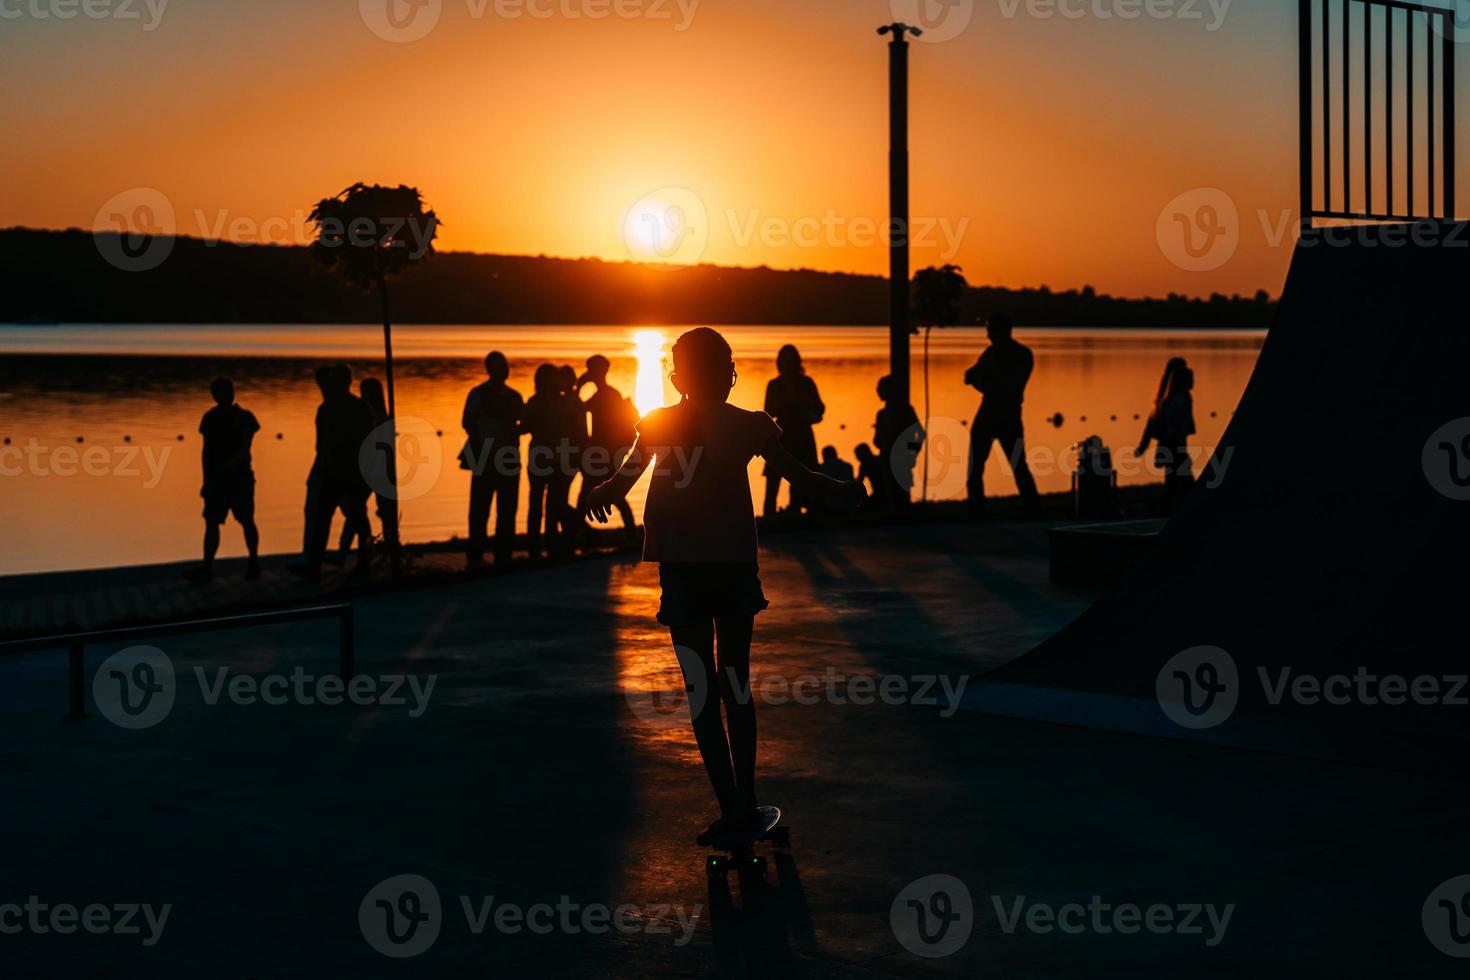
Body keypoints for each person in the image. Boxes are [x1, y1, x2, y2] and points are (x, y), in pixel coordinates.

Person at [585, 327, 862, 843]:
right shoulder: (748, 425)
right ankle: (748, 800)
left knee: (700, 691)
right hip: (732, 567)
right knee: (736, 684)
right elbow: (800, 477)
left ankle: (731, 805)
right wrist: (845, 490)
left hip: (682, 570)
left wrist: (596, 492)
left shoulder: (659, 422)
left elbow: (625, 477)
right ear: (728, 372)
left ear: (679, 375)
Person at [295, 364, 374, 577]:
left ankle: (362, 561)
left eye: (338, 379)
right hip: (333, 472)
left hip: (347, 472)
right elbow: (321, 444)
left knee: (353, 518)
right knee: (328, 519)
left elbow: (364, 439)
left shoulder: (352, 407)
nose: (335, 383)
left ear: (346, 381)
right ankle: (314, 566)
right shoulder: (334, 407)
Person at [963, 313, 1040, 517]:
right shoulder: (990, 353)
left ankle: (1033, 508)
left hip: (1007, 417)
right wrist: (987, 382)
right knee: (975, 467)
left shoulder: (1021, 355)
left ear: (1002, 331)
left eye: (990, 330)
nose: (988, 335)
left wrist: (985, 382)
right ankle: (976, 510)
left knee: (1017, 465)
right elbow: (969, 376)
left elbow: (1009, 386)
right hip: (988, 414)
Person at [194, 377, 261, 582]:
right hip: (217, 480)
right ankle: (207, 567)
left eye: (229, 391)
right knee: (211, 522)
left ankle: (253, 562)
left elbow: (246, 447)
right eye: (222, 392)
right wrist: (206, 481)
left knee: (247, 520)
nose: (227, 395)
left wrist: (231, 465)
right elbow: (205, 452)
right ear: (214, 396)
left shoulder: (245, 417)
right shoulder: (209, 418)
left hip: (240, 478)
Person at [461, 351, 524, 566]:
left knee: (507, 509)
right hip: (485, 457)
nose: (504, 370)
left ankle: (503, 555)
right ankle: (476, 554)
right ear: (489, 370)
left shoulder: (515, 397)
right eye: (499, 366)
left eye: (505, 365)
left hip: (508, 458)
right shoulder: (477, 394)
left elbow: (523, 424)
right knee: (479, 510)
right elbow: (467, 423)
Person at [574, 354, 639, 541]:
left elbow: (579, 409)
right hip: (599, 453)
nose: (589, 373)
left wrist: (578, 387)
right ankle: (628, 535)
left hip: (605, 453)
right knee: (603, 494)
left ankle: (630, 536)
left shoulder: (608, 395)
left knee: (610, 494)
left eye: (591, 369)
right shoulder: (603, 394)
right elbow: (579, 410)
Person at [761, 344, 825, 517]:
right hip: (782, 434)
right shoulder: (774, 385)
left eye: (791, 360)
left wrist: (802, 402)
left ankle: (804, 513)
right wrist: (783, 402)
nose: (788, 364)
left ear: (797, 362)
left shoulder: (806, 383)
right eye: (785, 360)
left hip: (803, 434)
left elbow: (820, 410)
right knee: (773, 479)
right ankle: (769, 516)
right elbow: (767, 411)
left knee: (806, 477)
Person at [522, 363, 574, 561]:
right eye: (554, 378)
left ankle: (548, 548)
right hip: (543, 459)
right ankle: (537, 549)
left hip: (552, 459)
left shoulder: (548, 402)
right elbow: (526, 427)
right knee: (539, 505)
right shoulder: (541, 402)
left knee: (548, 506)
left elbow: (525, 427)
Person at [339, 377, 390, 559]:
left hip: (370, 470)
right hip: (374, 469)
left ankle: (351, 550)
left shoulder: (375, 417)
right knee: (357, 511)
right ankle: (350, 549)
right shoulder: (379, 416)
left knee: (357, 511)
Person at [874, 374, 923, 512]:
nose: (878, 392)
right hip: (886, 454)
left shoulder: (904, 409)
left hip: (900, 454)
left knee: (902, 486)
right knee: (889, 485)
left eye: (881, 389)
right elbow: (877, 439)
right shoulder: (881, 414)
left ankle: (902, 512)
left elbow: (920, 432)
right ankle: (894, 511)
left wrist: (913, 452)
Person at [1156, 365, 1197, 514]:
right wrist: (1182, 451)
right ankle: (1167, 511)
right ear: (1182, 382)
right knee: (1183, 482)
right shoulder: (1179, 400)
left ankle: (1166, 510)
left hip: (1172, 445)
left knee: (1173, 481)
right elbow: (1176, 427)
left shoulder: (1174, 399)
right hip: (1175, 445)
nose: (1193, 382)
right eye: (1190, 379)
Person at [1134, 357, 1189, 461]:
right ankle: (1156, 452)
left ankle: (1154, 451)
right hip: (1173, 436)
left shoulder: (1175, 393)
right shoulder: (1174, 395)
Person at [853, 443, 885, 510]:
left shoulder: (865, 464)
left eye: (857, 455)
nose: (857, 458)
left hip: (880, 493)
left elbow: (859, 481)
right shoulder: (879, 460)